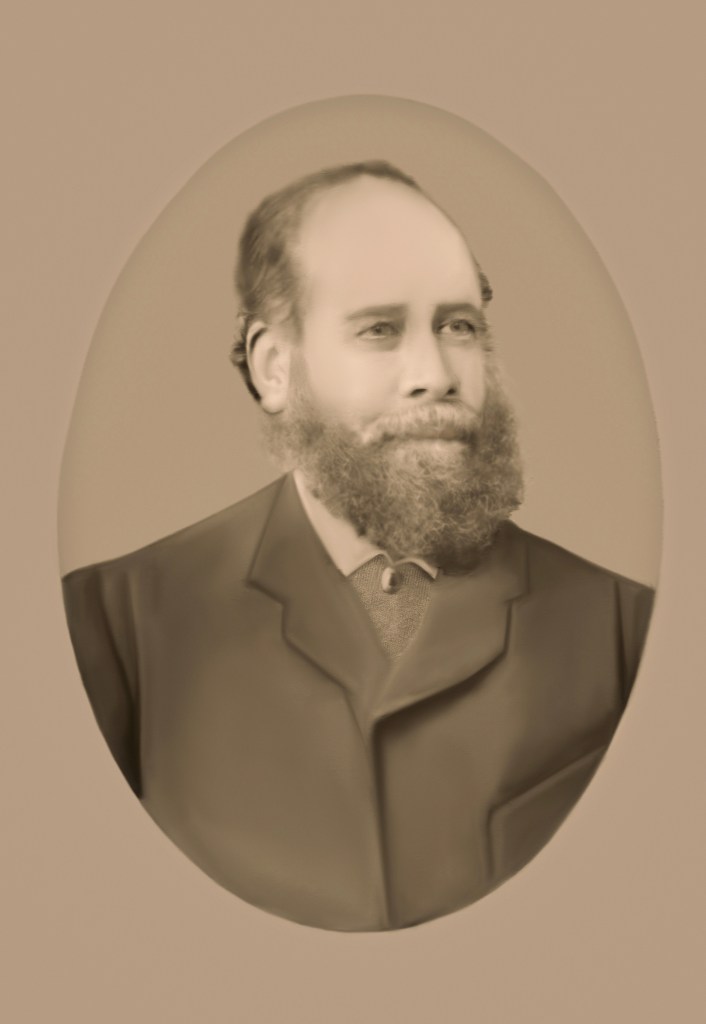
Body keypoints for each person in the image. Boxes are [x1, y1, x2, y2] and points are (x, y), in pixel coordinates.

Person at [62, 160, 654, 932]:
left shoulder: (629, 632)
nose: (436, 375)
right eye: (380, 329)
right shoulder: (110, 626)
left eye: (460, 326)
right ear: (275, 367)